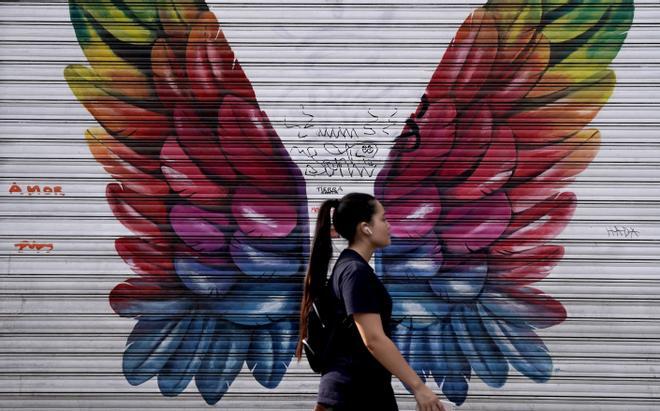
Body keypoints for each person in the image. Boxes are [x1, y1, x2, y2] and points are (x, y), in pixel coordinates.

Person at [296, 193, 449, 411]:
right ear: (365, 228)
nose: (389, 225)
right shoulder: (355, 272)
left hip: (361, 391)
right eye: (383, 219)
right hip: (352, 394)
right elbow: (374, 339)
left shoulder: (350, 268)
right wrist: (419, 388)